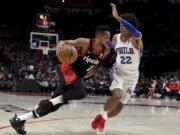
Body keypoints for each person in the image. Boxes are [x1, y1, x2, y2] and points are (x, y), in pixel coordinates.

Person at [9, 25, 111, 135]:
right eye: (106, 37)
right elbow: (63, 42)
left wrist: (89, 72)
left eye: (109, 37)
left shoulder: (106, 51)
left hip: (76, 76)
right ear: (98, 37)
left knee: (52, 107)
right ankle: (48, 102)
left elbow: (94, 64)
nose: (108, 40)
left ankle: (19, 120)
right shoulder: (85, 43)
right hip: (67, 70)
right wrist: (59, 46)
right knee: (80, 92)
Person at [91, 3, 143, 134]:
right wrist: (103, 42)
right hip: (118, 71)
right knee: (117, 95)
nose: (120, 27)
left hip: (132, 77)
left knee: (120, 106)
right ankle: (102, 115)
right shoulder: (116, 37)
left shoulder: (137, 39)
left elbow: (136, 32)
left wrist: (118, 17)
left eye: (123, 25)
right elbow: (110, 45)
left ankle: (103, 118)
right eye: (120, 25)